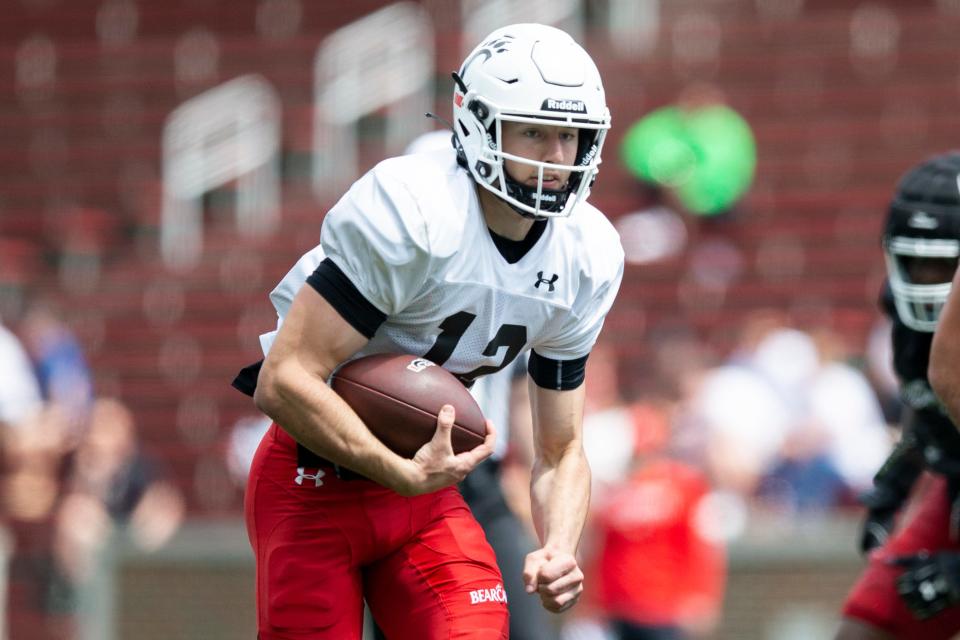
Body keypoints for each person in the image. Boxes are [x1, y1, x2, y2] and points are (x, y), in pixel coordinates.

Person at [233, 23, 623, 640]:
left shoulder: (587, 254)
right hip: (313, 479)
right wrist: (395, 469)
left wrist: (560, 545)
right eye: (534, 132)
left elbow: (561, 449)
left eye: (569, 137)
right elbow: (282, 380)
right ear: (478, 122)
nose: (554, 159)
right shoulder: (418, 212)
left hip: (426, 492)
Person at [835, 152, 960, 639]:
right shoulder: (906, 323)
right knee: (866, 628)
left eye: (943, 266)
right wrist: (892, 486)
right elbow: (929, 410)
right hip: (953, 485)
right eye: (917, 263)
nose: (927, 281)